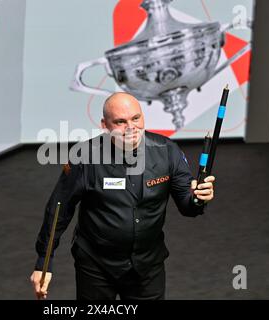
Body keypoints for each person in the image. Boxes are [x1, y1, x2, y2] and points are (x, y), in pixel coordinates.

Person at [30, 92, 215, 300]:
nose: (131, 127)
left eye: (136, 118)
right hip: (96, 266)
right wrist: (43, 261)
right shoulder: (84, 157)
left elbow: (188, 206)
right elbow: (59, 208)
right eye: (120, 121)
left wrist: (199, 197)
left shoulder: (167, 151)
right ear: (105, 125)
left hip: (147, 266)